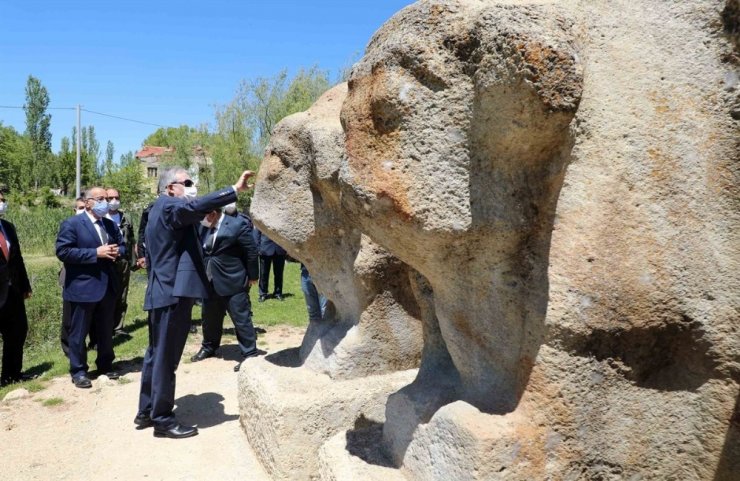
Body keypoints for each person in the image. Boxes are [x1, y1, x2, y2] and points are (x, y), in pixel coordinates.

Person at [135, 167, 253, 439]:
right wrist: (233, 190)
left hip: (161, 293)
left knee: (155, 354)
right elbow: (198, 205)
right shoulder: (170, 207)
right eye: (186, 182)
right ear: (170, 189)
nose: (192, 187)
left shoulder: (159, 209)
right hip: (172, 294)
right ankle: (163, 419)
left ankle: (147, 410)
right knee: (165, 358)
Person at [56, 187, 125, 389]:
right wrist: (95, 253)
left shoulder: (111, 225)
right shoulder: (73, 224)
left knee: (105, 330)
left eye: (107, 198)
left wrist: (115, 251)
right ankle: (78, 371)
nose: (106, 202)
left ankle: (105, 365)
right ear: (88, 202)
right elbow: (64, 252)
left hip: (107, 286)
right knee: (78, 332)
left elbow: (122, 246)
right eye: (101, 199)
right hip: (83, 287)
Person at [190, 206, 261, 372]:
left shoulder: (237, 225)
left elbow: (250, 251)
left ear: (214, 213)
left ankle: (250, 354)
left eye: (204, 215)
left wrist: (253, 276)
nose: (202, 219)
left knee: (241, 318)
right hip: (209, 280)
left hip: (233, 280)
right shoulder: (204, 227)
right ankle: (209, 347)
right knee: (209, 318)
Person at [0, 192, 32, 387]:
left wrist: (25, 285)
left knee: (17, 332)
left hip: (13, 290)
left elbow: (17, 259)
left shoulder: (8, 227)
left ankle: (12, 374)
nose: (2, 204)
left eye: (3, 200)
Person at [105, 188, 136, 335]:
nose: (114, 201)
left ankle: (118, 327)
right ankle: (104, 328)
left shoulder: (125, 218)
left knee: (122, 294)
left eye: (116, 197)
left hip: (123, 261)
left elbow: (132, 240)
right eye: (110, 198)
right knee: (106, 295)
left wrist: (135, 260)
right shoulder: (101, 217)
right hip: (106, 261)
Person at [61, 196, 87, 357]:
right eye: (81, 208)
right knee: (70, 318)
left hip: (93, 279)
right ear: (75, 210)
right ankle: (69, 349)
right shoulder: (70, 225)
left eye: (86, 207)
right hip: (71, 277)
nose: (83, 211)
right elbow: (64, 251)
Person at [253, 228, 287, 302]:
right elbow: (256, 233)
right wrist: (258, 248)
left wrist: (286, 247)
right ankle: (263, 294)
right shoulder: (263, 218)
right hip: (265, 249)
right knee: (263, 273)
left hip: (279, 249)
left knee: (279, 273)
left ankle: (278, 293)